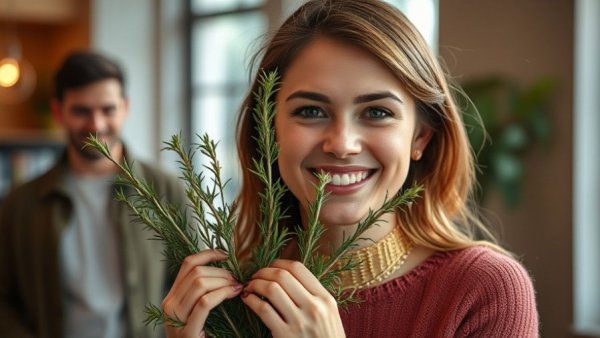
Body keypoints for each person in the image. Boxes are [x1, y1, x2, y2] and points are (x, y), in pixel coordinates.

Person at [161, 1, 539, 337]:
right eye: (310, 111)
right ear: (267, 131)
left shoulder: (485, 290)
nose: (342, 144)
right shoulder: (234, 293)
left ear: (420, 138)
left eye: (377, 112)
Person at [0, 51, 186, 338]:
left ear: (125, 108)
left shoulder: (165, 191)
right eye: (81, 111)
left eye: (108, 109)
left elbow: (191, 282)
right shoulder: (21, 203)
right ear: (59, 111)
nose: (96, 124)